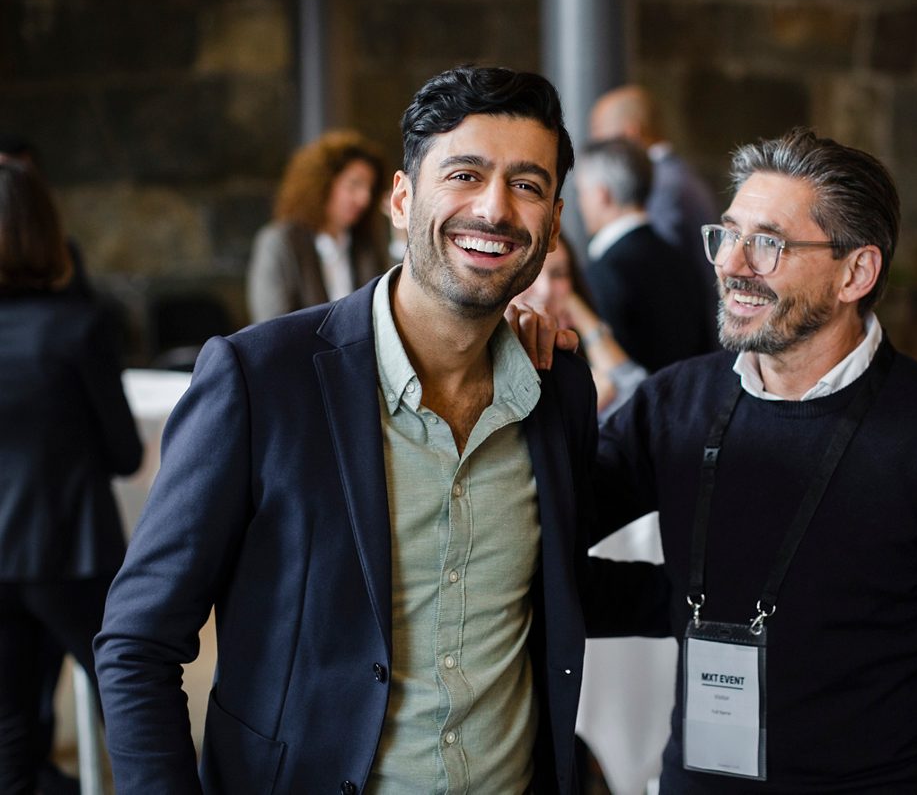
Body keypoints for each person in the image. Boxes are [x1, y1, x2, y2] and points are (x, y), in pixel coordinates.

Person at [95, 66, 663, 794]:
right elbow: (139, 642)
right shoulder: (260, 378)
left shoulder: (558, 388)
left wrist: (732, 603)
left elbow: (545, 583)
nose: (494, 208)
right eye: (464, 174)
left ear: (552, 222)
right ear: (402, 199)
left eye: (526, 185)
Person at [593, 128, 917, 792]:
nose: (732, 263)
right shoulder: (674, 403)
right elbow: (537, 531)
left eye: (767, 243)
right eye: (728, 234)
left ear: (856, 272)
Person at [0, 160, 142, 792]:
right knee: (132, 697)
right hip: (72, 551)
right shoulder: (78, 328)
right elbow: (124, 453)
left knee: (9, 735)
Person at [577, 137, 715, 373]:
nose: (579, 203)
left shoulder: (605, 271)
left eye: (580, 192)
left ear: (602, 195)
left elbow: (614, 374)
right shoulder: (679, 257)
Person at [590, 85, 720, 321]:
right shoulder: (678, 175)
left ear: (630, 134)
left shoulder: (664, 185)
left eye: (600, 135)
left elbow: (658, 275)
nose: (596, 146)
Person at [246, 129, 391, 322]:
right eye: (354, 184)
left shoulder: (363, 245)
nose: (364, 198)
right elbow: (272, 328)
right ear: (323, 183)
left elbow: (390, 310)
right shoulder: (279, 242)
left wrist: (401, 236)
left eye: (369, 189)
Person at [515, 240, 647, 420]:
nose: (546, 289)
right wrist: (585, 407)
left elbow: (640, 398)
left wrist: (583, 317)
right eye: (531, 273)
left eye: (558, 274)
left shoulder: (571, 355)